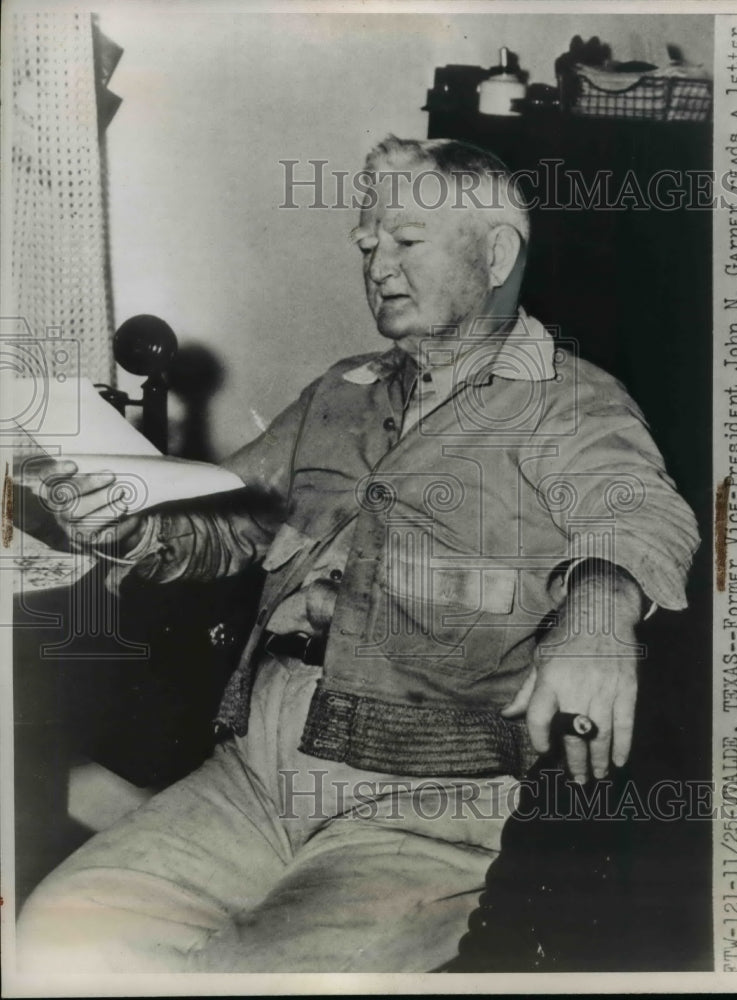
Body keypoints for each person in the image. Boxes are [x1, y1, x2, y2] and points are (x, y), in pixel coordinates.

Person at [17, 136, 699, 973]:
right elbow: (222, 527)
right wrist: (121, 521)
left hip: (422, 810)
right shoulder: (341, 390)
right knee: (58, 937)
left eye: (405, 240)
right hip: (253, 777)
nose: (376, 261)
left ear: (496, 253)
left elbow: (639, 515)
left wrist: (596, 616)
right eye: (368, 242)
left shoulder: (570, 399)